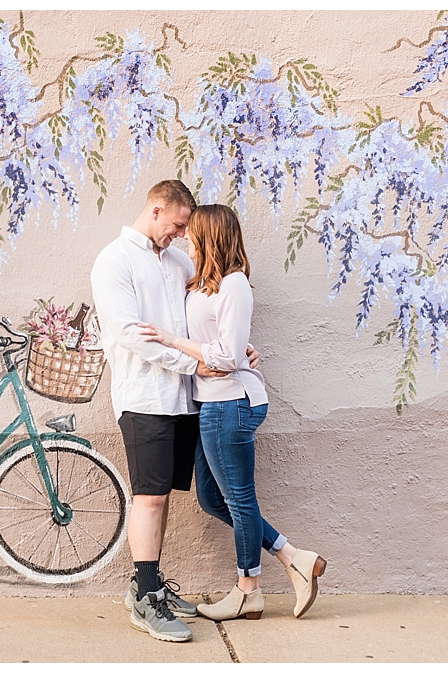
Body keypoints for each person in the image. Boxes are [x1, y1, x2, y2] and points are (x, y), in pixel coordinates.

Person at [139, 203, 327, 622]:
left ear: (211, 236)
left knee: (240, 499)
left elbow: (223, 357)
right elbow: (225, 343)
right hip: (211, 402)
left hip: (232, 402)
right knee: (212, 498)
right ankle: (294, 556)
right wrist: (237, 349)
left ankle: (248, 589)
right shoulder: (202, 284)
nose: (186, 238)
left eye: (193, 233)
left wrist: (173, 340)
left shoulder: (235, 284)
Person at [90, 181, 258, 642]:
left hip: (187, 398)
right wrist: (197, 361)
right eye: (179, 225)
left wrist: (236, 349)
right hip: (144, 397)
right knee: (149, 496)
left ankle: (148, 585)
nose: (183, 235)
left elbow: (199, 318)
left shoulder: (180, 260)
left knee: (164, 495)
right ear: (157, 210)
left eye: (187, 229)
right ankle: (146, 599)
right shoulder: (114, 261)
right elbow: (130, 334)